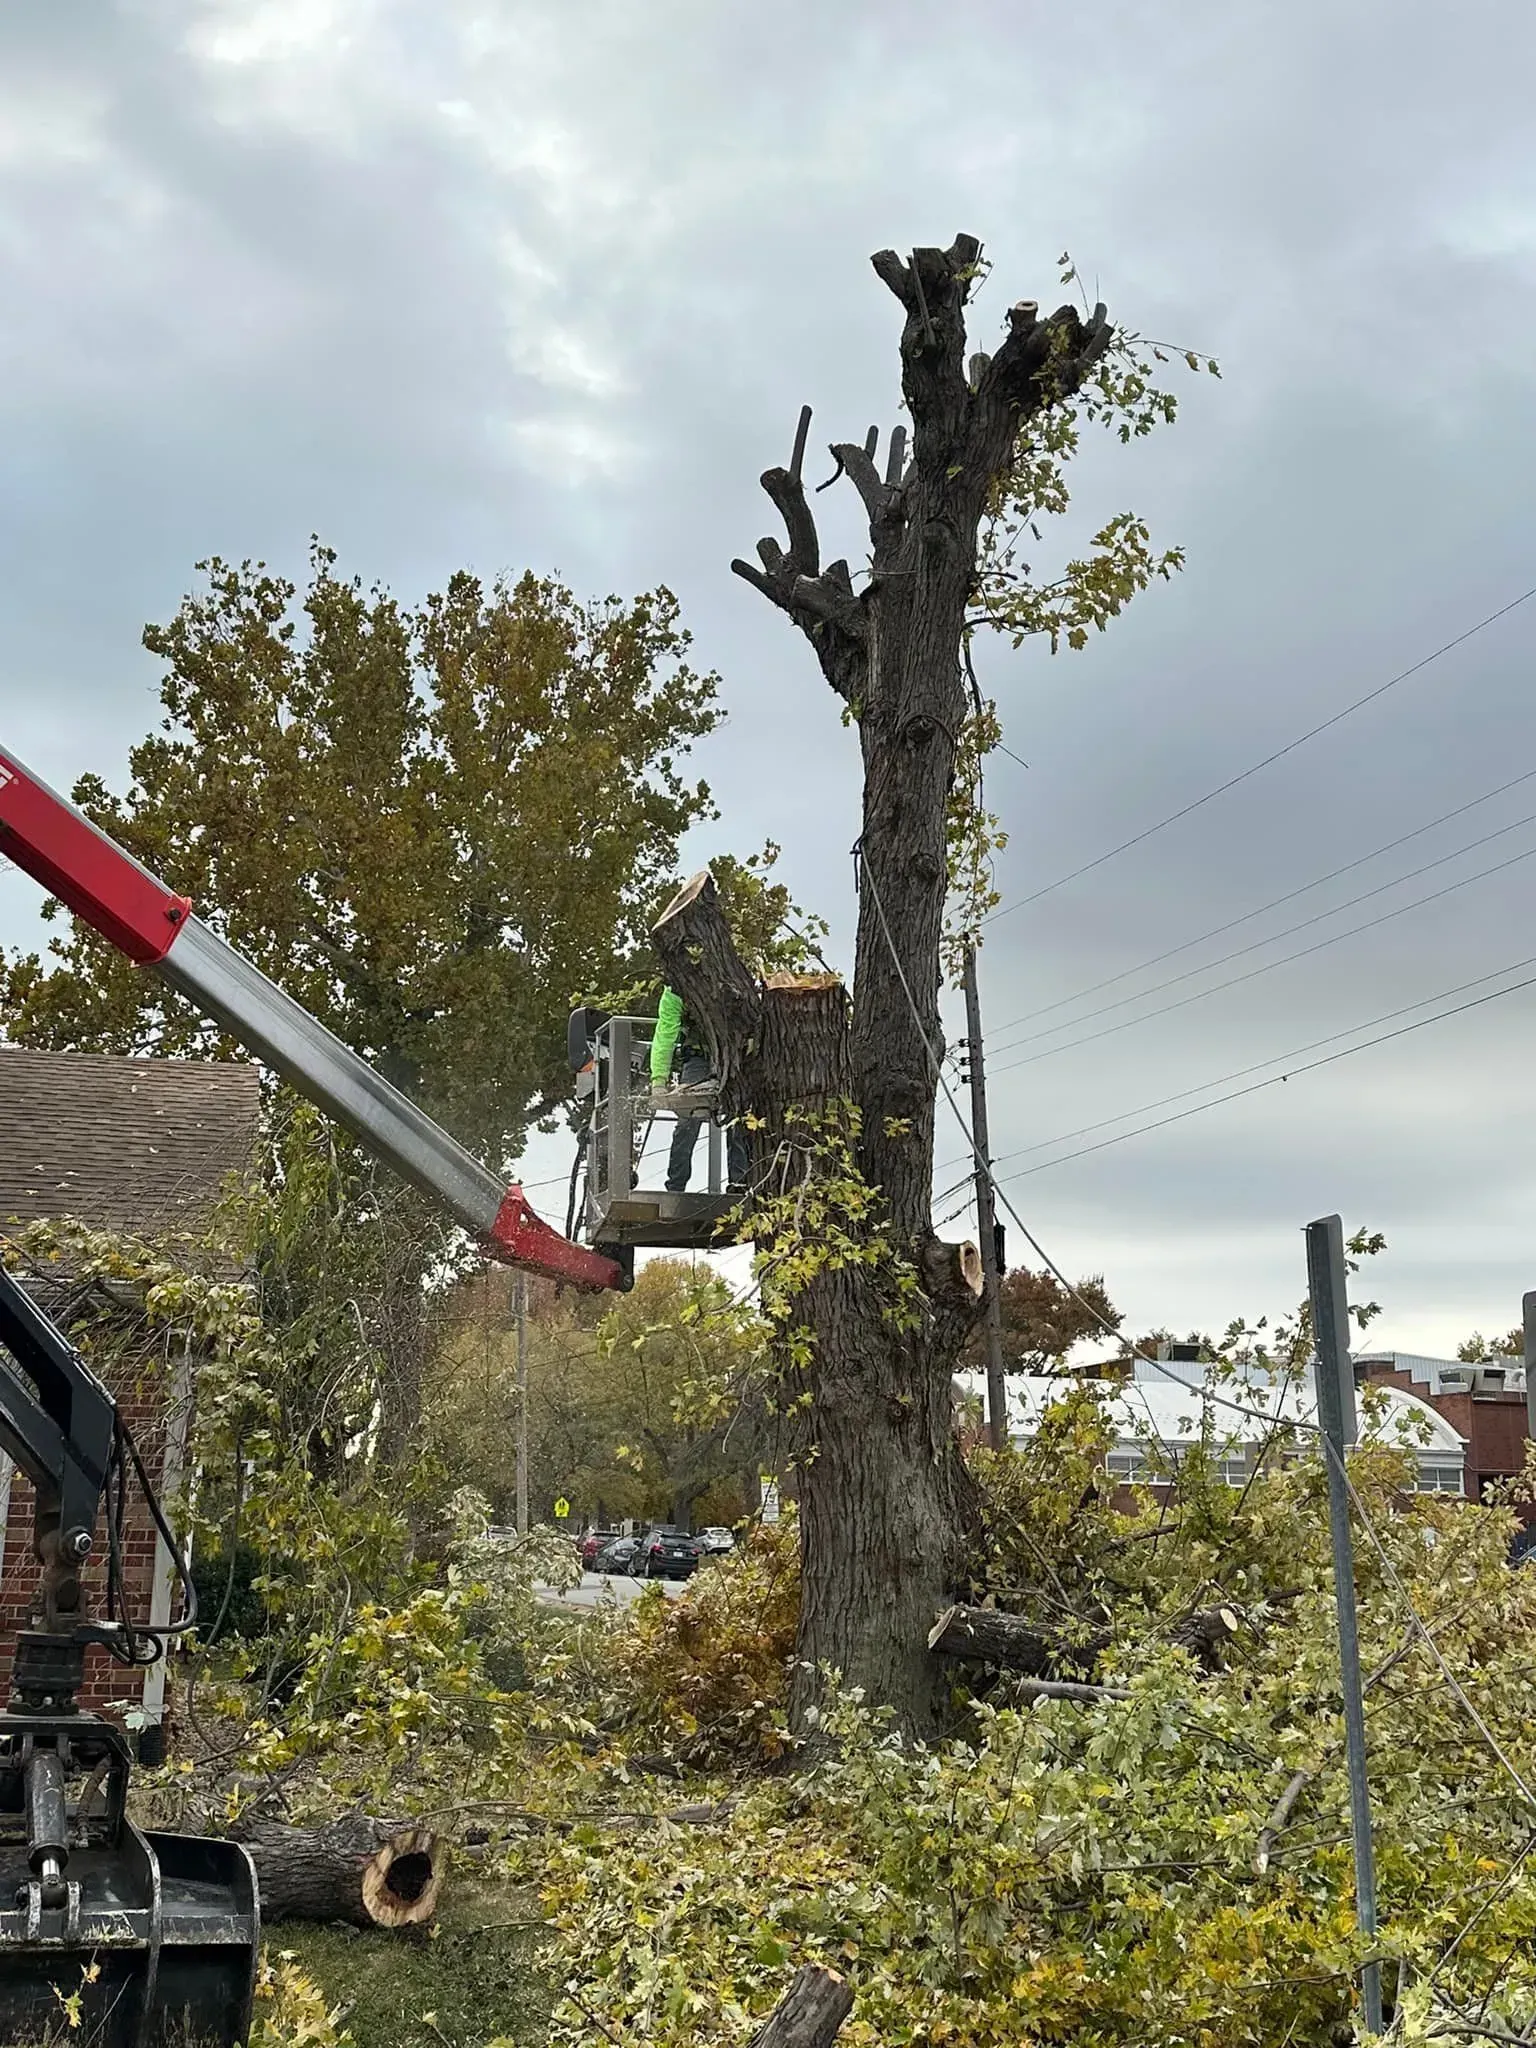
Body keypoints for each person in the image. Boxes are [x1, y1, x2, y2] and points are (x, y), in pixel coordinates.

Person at [650, 987, 749, 1192]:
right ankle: (676, 1186)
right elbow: (666, 1034)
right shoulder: (675, 990)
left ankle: (739, 1183)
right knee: (688, 1118)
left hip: (734, 1056)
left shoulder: (733, 981)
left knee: (737, 1117)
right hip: (698, 1058)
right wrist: (659, 1081)